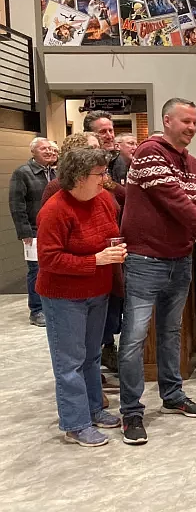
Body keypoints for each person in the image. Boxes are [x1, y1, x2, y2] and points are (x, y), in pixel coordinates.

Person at [119, 98, 196, 445]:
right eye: (185, 121)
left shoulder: (194, 164)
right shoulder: (150, 153)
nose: (192, 128)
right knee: (135, 338)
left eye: (195, 122)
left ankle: (172, 395)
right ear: (167, 120)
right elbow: (174, 201)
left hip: (179, 259)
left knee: (171, 333)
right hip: (144, 260)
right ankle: (131, 412)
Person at [36, 148, 126, 447]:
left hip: (96, 291)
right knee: (70, 362)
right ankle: (75, 423)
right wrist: (96, 260)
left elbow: (111, 233)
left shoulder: (102, 199)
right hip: (64, 296)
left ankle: (94, 409)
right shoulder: (54, 210)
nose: (105, 179)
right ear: (77, 178)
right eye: (99, 174)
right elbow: (49, 260)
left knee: (92, 357)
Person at [9, 137, 57, 327]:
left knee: (52, 268)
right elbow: (16, 203)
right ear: (33, 152)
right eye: (43, 148)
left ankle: (51, 306)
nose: (48, 152)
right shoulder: (22, 173)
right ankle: (36, 310)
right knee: (36, 270)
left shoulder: (56, 172)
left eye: (51, 149)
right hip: (34, 230)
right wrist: (24, 231)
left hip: (53, 229)